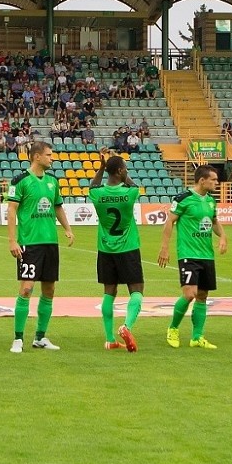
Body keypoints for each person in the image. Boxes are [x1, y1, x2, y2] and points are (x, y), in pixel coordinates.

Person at [7, 141, 74, 353]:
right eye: (48, 155)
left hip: (50, 243)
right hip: (29, 244)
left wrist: (68, 228)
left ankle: (40, 337)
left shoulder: (53, 181)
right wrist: (12, 240)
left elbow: (58, 207)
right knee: (26, 289)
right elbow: (11, 211)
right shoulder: (20, 181)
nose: (51, 158)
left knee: (49, 289)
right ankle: (18, 338)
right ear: (36, 156)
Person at [158, 165, 228, 350]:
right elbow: (169, 222)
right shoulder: (183, 199)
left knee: (203, 296)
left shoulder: (211, 201)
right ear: (201, 180)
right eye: (213, 179)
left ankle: (197, 337)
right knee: (190, 294)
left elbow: (214, 222)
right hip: (188, 253)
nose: (216, 182)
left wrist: (222, 236)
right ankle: (173, 328)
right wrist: (164, 248)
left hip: (207, 254)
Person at [89, 149, 143, 352]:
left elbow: (93, 185)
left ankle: (110, 338)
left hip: (106, 248)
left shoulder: (97, 194)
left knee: (109, 292)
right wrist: (120, 170)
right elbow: (132, 184)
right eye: (124, 168)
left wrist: (103, 167)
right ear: (120, 171)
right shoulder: (129, 194)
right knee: (136, 291)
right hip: (128, 247)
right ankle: (126, 326)